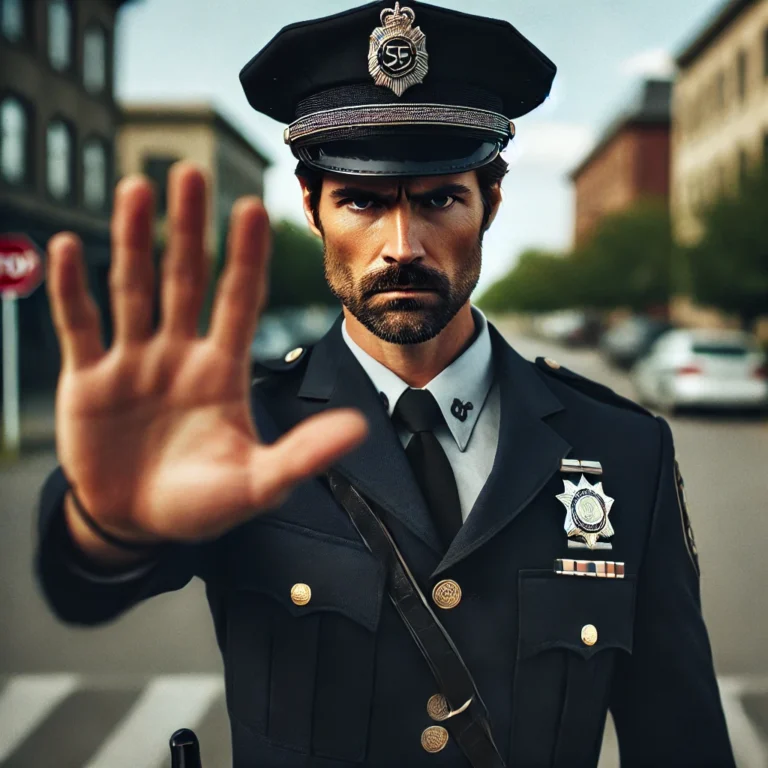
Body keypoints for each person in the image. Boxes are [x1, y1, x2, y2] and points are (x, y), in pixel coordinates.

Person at [35, 2, 735, 766]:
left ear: (491, 203)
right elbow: (82, 590)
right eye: (362, 200)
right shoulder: (245, 429)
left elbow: (681, 740)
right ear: (312, 207)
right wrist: (104, 527)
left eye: (439, 198)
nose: (401, 246)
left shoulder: (623, 450)